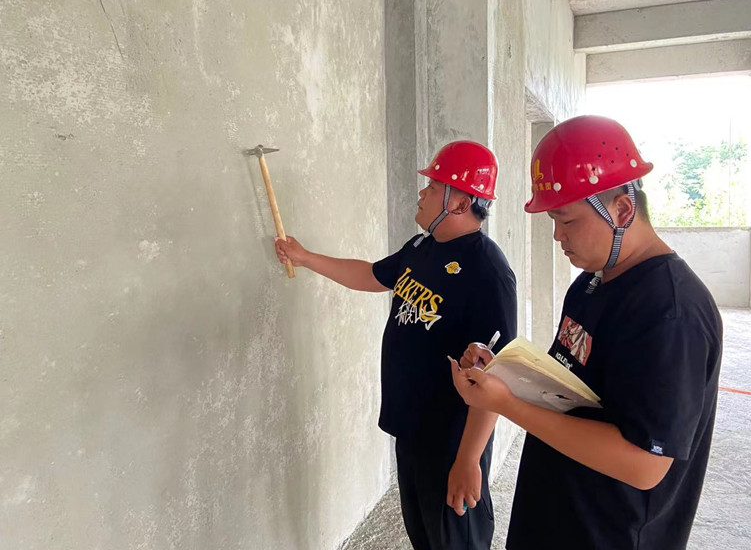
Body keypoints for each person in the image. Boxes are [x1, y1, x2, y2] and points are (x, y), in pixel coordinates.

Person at [450, 116, 722, 550]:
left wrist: (507, 405)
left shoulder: (672, 312)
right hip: (557, 511)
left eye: (568, 221)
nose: (557, 235)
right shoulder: (590, 283)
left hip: (607, 532)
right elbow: (571, 389)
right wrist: (504, 376)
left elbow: (644, 464)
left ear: (622, 210)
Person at [275, 141, 517, 550]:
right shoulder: (421, 248)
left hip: (451, 439)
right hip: (411, 426)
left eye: (433, 186)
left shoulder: (487, 270)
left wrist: (468, 459)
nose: (422, 193)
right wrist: (306, 258)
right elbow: (372, 275)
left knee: (456, 541)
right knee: (423, 535)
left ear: (460, 202)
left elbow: (495, 377)